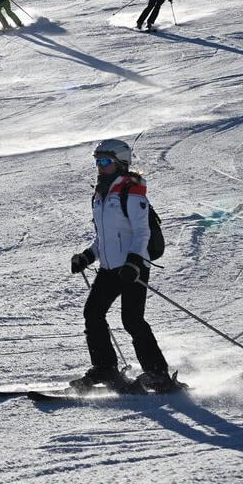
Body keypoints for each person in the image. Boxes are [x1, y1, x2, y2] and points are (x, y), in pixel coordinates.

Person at [70, 138, 176, 393]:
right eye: (97, 161)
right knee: (92, 314)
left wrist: (135, 262)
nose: (99, 166)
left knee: (132, 319)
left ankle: (158, 374)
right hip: (109, 268)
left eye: (105, 161)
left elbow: (141, 232)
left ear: (120, 163)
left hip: (132, 267)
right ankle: (105, 368)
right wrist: (87, 255)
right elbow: (104, 236)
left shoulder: (132, 191)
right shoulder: (100, 193)